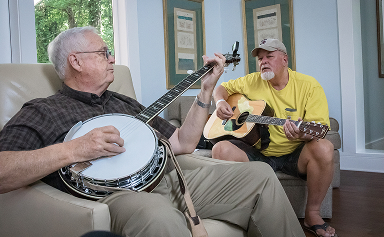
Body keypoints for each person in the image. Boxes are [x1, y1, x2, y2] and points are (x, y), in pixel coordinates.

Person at [0, 27, 305, 237]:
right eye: (104, 52)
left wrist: (206, 90)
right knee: (158, 216)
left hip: (170, 178)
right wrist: (74, 149)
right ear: (75, 61)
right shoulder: (44, 110)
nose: (112, 59)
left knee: (260, 175)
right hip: (116, 196)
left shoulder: (124, 102)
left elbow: (183, 142)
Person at [211, 38, 337, 237]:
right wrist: (219, 102)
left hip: (294, 155)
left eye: (269, 56)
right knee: (219, 149)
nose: (263, 62)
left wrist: (302, 133)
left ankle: (312, 214)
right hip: (259, 152)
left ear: (285, 59)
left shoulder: (309, 86)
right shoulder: (252, 80)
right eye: (260, 58)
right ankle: (238, 215)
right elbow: (222, 88)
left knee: (325, 147)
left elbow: (319, 129)